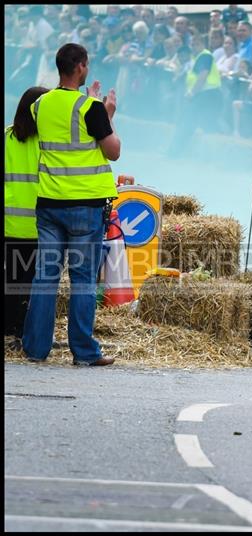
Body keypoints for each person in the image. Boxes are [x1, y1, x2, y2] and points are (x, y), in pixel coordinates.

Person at [23, 43, 120, 366]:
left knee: (44, 276)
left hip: (49, 203)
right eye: (86, 65)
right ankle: (84, 352)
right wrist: (107, 114)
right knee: (82, 279)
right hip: (85, 205)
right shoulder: (89, 108)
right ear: (80, 67)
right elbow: (112, 151)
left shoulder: (40, 105)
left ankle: (35, 349)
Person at [5, 86, 49, 341]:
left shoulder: (5, 137)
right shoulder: (47, 143)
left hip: (8, 222)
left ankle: (8, 327)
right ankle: (23, 331)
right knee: (29, 283)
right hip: (37, 224)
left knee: (10, 277)